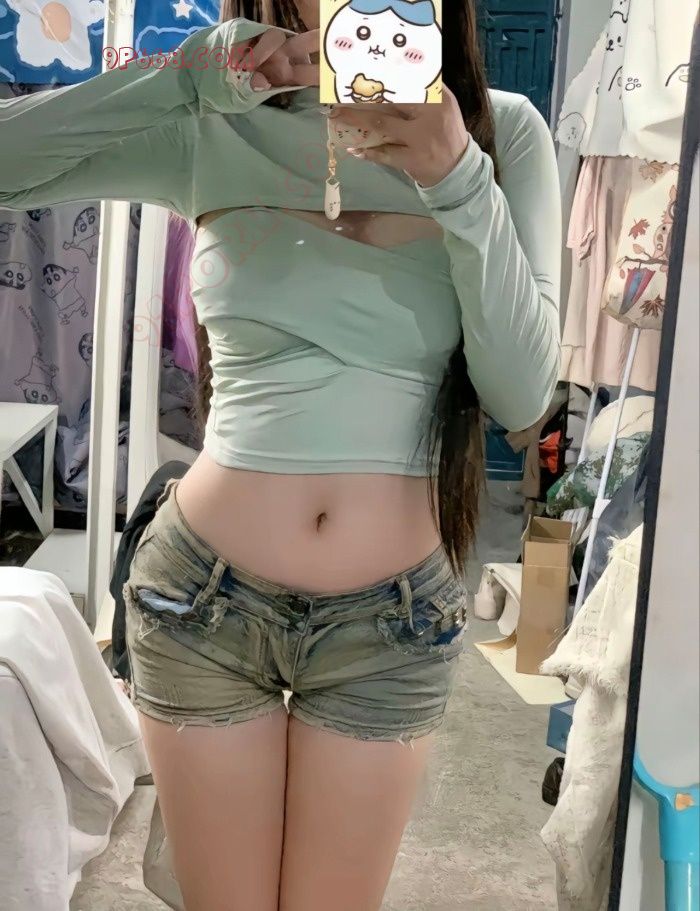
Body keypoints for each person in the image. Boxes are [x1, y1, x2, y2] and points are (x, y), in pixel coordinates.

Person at [0, 1, 561, 908]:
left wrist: (459, 179)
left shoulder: (503, 135)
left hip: (390, 625)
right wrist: (192, 78)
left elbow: (523, 394)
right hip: (201, 603)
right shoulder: (217, 122)